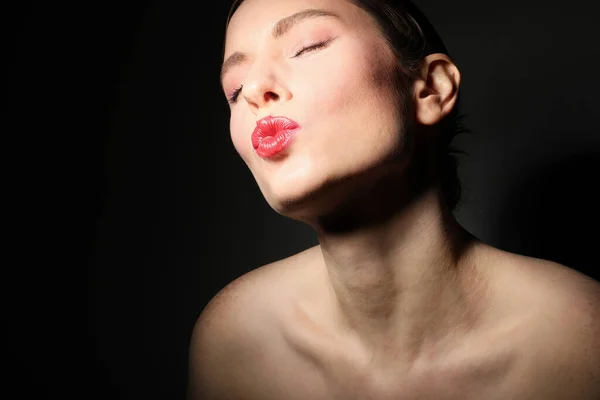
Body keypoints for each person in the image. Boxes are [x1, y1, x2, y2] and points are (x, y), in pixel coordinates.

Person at [188, 0, 600, 398]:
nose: (256, 90)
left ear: (431, 88)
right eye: (235, 89)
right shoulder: (234, 340)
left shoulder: (583, 341)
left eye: (307, 47)